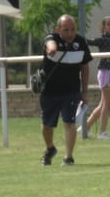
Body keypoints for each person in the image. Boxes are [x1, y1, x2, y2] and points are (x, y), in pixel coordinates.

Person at [40, 15, 93, 166]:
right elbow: (50, 44)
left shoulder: (80, 42)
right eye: (66, 30)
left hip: (71, 90)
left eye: (72, 29)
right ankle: (50, 148)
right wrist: (52, 49)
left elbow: (85, 67)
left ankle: (68, 157)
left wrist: (84, 91)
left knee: (69, 122)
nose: (70, 33)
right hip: (50, 91)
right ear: (58, 29)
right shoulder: (51, 38)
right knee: (47, 125)